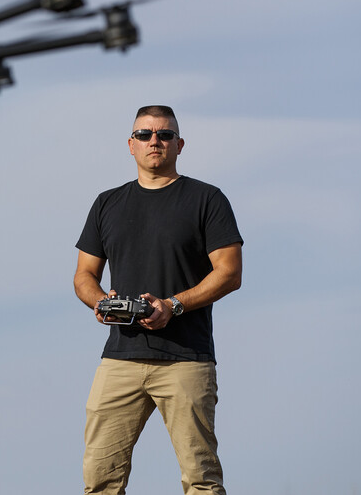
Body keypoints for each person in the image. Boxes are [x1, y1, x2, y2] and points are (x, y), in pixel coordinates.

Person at [73, 105, 243, 495]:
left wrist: (173, 305)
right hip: (119, 359)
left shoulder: (207, 199)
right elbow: (84, 276)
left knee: (201, 480)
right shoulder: (106, 204)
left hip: (186, 359)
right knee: (99, 479)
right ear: (130, 145)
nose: (155, 141)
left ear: (179, 145)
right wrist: (100, 302)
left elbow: (230, 272)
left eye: (165, 135)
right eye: (146, 134)